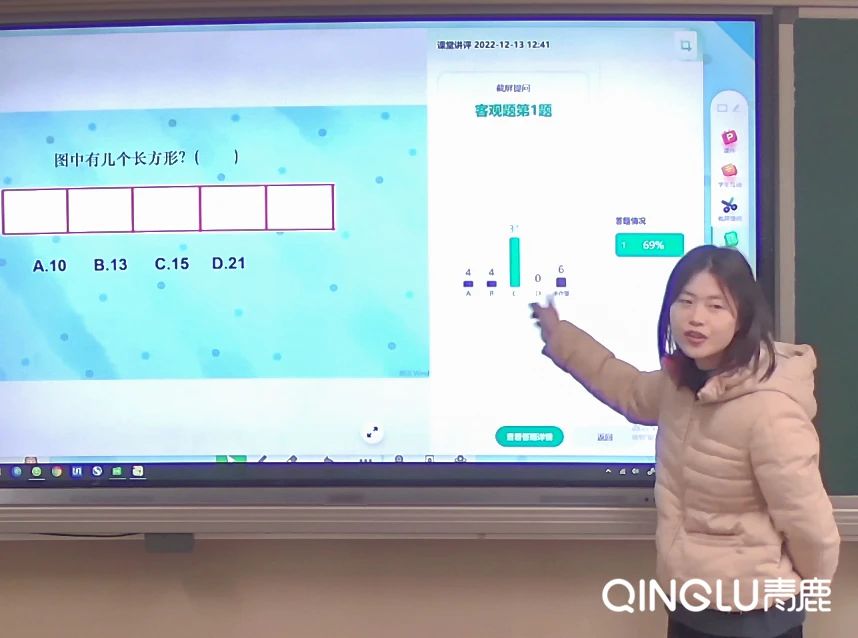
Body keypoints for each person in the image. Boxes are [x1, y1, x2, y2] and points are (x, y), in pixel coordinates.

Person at [530, 245, 840, 638]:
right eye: (686, 301)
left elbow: (808, 523)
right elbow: (628, 389)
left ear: (743, 317)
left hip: (757, 619)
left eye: (716, 306)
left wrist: (801, 591)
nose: (696, 317)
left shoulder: (770, 410)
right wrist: (561, 337)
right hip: (689, 608)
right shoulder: (681, 385)